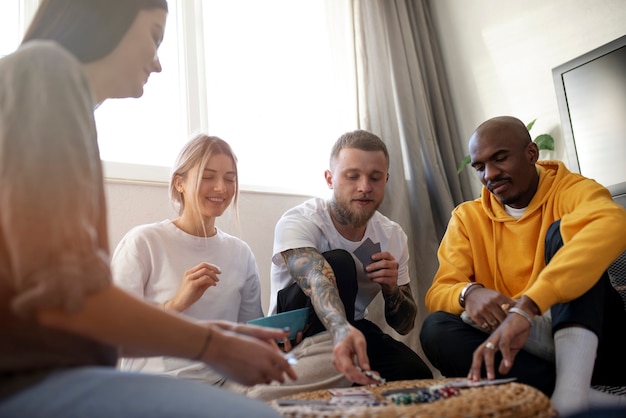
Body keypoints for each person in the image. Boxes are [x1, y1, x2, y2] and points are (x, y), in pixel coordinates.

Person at [0, 1, 295, 417]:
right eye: (154, 36)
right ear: (105, 15)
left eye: (229, 177)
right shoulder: (46, 71)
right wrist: (212, 344)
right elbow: (66, 304)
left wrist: (216, 333)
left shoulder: (67, 104)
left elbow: (81, 326)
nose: (157, 63)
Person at [419, 116, 626, 416]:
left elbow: (615, 222)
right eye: (479, 167)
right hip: (525, 347)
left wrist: (528, 306)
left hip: (594, 337)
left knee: (565, 231)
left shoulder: (570, 189)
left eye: (500, 158)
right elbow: (439, 291)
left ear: (532, 153)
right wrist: (469, 293)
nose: (489, 174)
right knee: (435, 329)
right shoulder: (466, 218)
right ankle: (575, 393)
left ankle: (570, 388)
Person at [231, 129, 433, 400]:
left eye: (375, 178)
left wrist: (391, 289)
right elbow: (316, 277)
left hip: (354, 326)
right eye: (352, 176)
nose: (364, 187)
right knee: (338, 262)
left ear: (386, 180)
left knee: (415, 372)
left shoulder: (392, 235)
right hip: (297, 333)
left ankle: (346, 380)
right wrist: (339, 330)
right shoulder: (301, 220)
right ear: (329, 178)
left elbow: (404, 325)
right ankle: (330, 370)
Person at [112, 133, 265, 386]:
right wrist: (176, 304)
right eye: (208, 177)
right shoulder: (144, 242)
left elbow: (249, 335)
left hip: (225, 385)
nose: (221, 188)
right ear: (179, 183)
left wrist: (279, 340)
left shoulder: (240, 253)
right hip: (158, 384)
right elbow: (114, 335)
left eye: (230, 179)